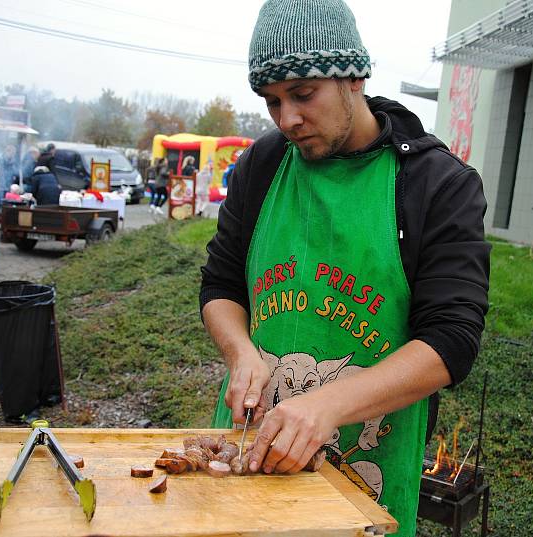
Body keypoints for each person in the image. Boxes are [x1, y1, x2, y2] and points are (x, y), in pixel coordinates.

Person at [198, 2, 490, 536]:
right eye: (272, 101)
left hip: (365, 478)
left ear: (353, 76)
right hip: (245, 454)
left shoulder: (436, 184)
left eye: (303, 93)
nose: (287, 119)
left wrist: (326, 404)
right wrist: (241, 353)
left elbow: (452, 341)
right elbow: (220, 286)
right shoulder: (261, 168)